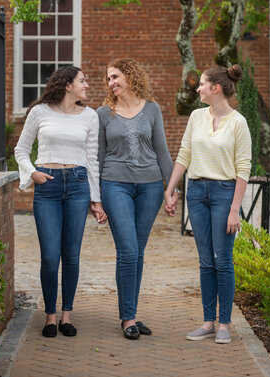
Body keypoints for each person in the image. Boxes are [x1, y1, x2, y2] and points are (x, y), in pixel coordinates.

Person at [14, 65, 107, 338]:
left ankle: (67, 315)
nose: (87, 85)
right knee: (50, 256)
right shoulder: (39, 112)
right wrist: (32, 172)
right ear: (67, 85)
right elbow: (20, 149)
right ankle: (50, 317)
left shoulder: (90, 116)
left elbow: (92, 160)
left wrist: (96, 200)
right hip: (48, 187)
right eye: (82, 81)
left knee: (71, 254)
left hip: (77, 185)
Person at [164, 64, 251, 344]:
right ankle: (207, 322)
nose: (197, 88)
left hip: (225, 193)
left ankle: (224, 324)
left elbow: (243, 168)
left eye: (201, 84)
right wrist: (171, 188)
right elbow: (184, 154)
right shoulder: (196, 117)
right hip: (197, 192)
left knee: (222, 261)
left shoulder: (239, 123)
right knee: (205, 262)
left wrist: (235, 208)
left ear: (216, 88)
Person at [97, 58, 173, 340]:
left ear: (130, 76)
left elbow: (162, 152)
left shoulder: (152, 109)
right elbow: (98, 157)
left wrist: (171, 190)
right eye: (108, 79)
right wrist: (96, 199)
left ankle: (131, 312)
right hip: (115, 185)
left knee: (137, 252)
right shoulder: (103, 113)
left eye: (115, 76)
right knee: (128, 250)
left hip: (150, 187)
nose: (111, 83)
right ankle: (128, 318)